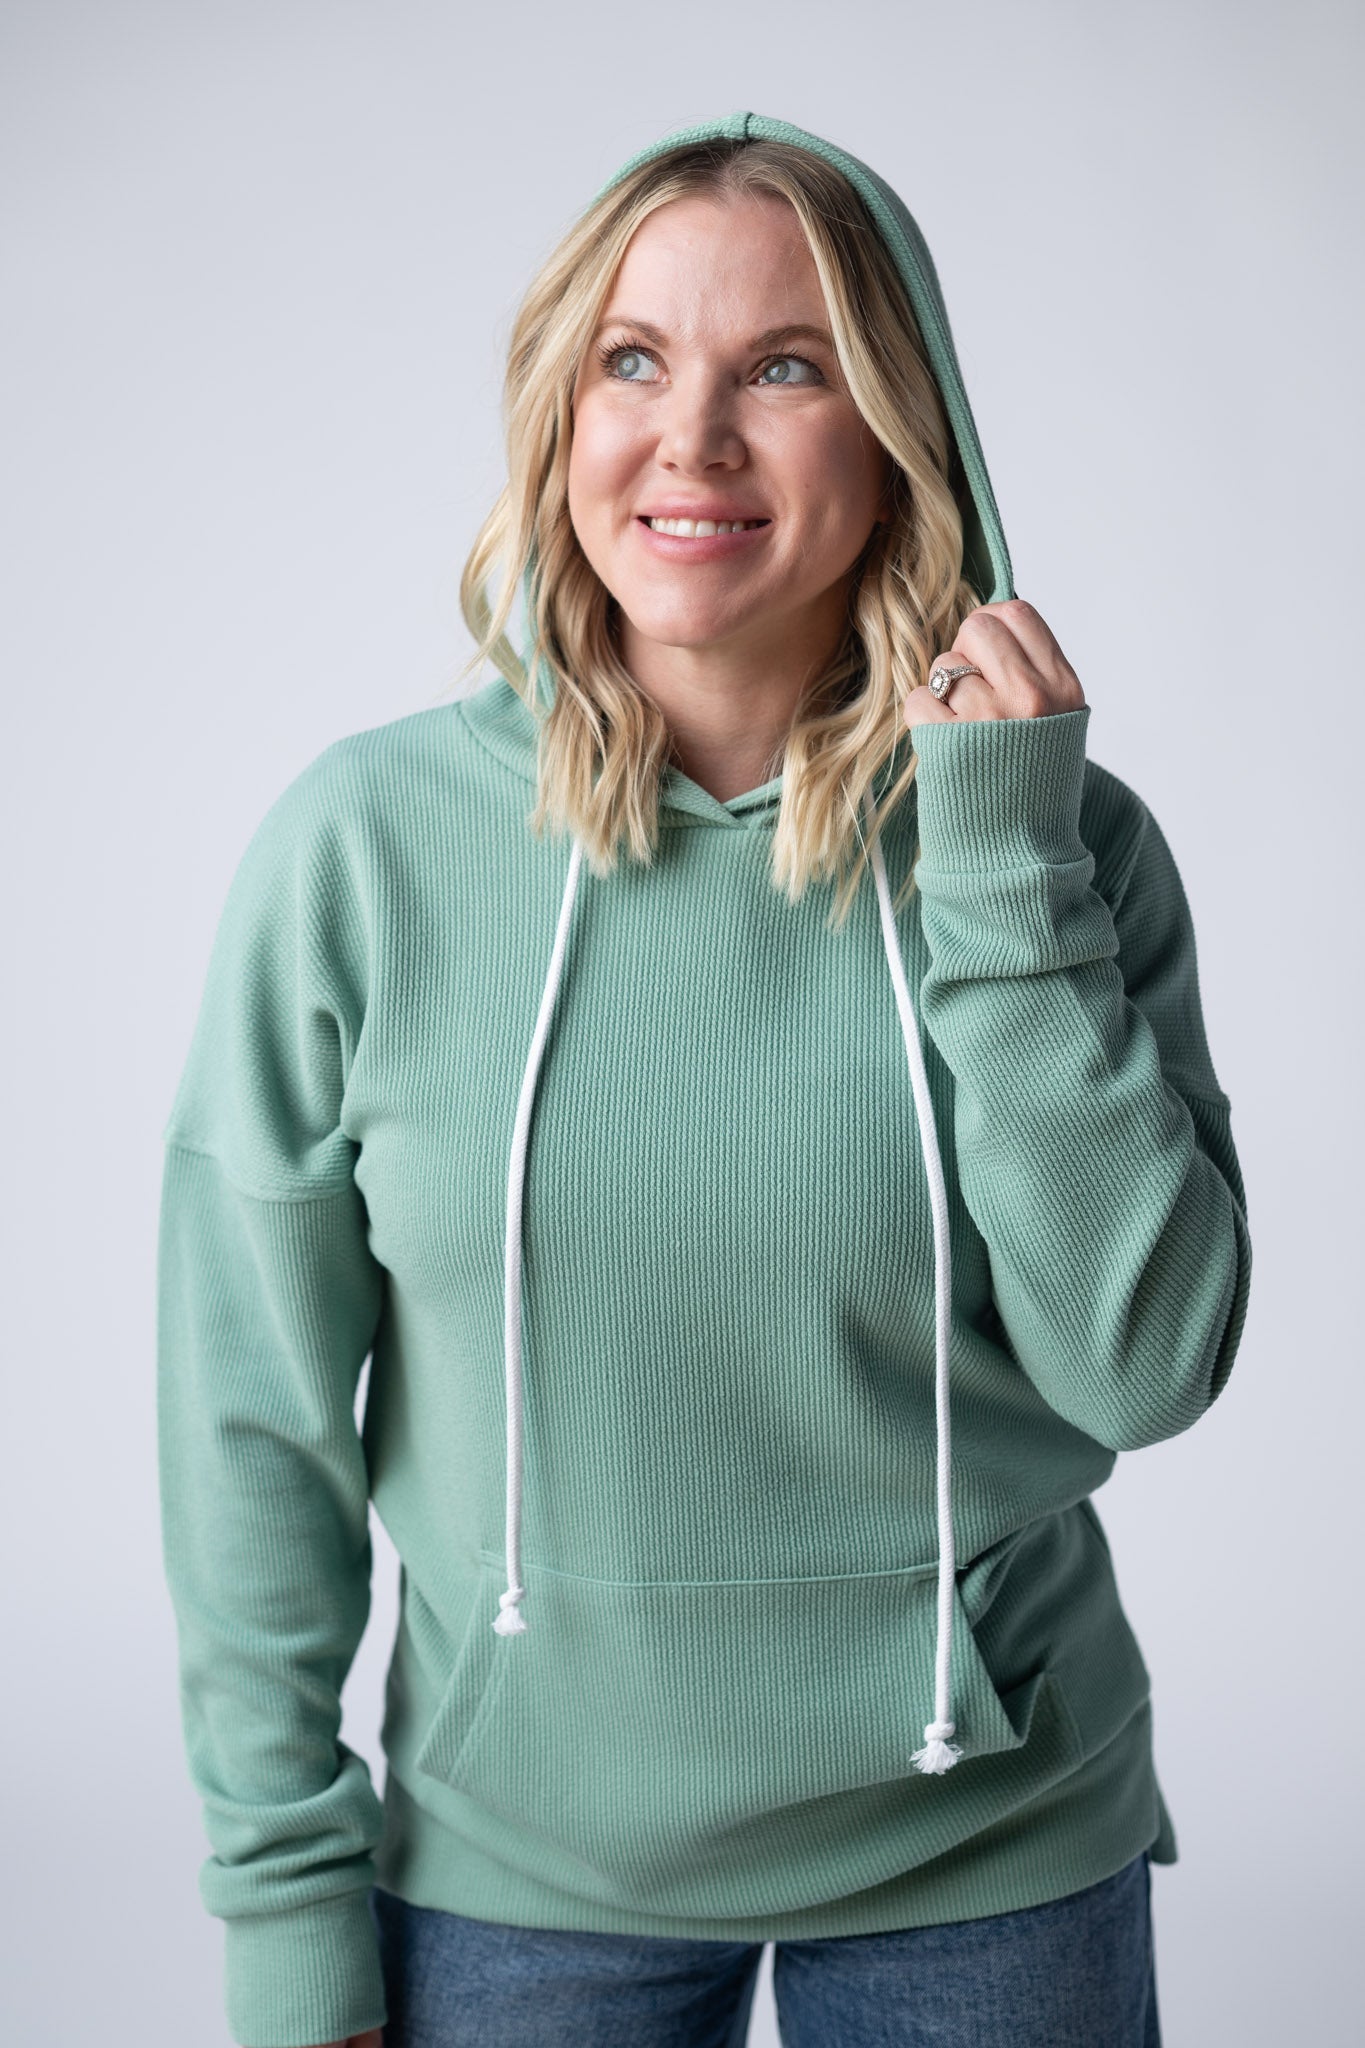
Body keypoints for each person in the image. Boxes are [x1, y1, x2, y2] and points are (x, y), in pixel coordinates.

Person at [156, 110, 1253, 2048]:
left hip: (987, 1841)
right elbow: (252, 1423)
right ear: (556, 418)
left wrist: (999, 869)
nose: (694, 439)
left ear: (900, 436)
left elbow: (1142, 1366)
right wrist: (284, 1909)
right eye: (633, 361)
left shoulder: (1062, 845)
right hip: (516, 1870)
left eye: (786, 367)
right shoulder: (360, 851)